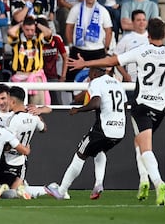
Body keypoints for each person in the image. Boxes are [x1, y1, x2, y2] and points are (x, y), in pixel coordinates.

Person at [67, 18, 165, 205]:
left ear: (148, 35)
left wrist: (84, 64)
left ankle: (158, 182)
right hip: (161, 107)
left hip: (142, 106)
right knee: (139, 141)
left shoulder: (142, 51)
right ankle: (143, 180)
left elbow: (111, 60)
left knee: (145, 148)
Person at [45, 67, 127, 200]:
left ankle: (61, 191)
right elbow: (125, 105)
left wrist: (78, 110)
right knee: (99, 151)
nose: (89, 77)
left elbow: (95, 103)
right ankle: (98, 184)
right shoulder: (117, 82)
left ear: (94, 73)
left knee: (80, 154)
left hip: (103, 130)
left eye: (89, 74)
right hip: (119, 131)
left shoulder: (96, 82)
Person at [0, 86, 47, 199]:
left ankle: (2, 189)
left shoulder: (12, 120)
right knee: (14, 191)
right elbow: (44, 129)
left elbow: (7, 144)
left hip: (6, 159)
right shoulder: (33, 116)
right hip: (21, 161)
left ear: (13, 101)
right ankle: (43, 189)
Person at [65, 0, 113, 82]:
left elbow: (108, 31)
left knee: (100, 80)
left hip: (97, 50)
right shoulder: (76, 9)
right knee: (71, 79)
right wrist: (70, 44)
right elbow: (69, 27)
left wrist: (106, 48)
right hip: (79, 49)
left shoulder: (103, 11)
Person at [8, 16, 52, 105]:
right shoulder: (17, 40)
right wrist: (20, 24)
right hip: (20, 77)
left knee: (36, 108)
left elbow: (49, 32)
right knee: (18, 106)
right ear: (23, 28)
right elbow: (10, 31)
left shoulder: (39, 39)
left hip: (36, 77)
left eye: (32, 30)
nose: (30, 32)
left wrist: (37, 24)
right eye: (27, 29)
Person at [37, 17, 67, 105]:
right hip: (39, 77)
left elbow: (65, 57)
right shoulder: (35, 41)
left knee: (57, 103)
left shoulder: (56, 39)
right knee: (41, 104)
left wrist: (63, 76)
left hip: (53, 77)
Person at [113, 9, 148, 85]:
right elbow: (115, 57)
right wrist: (125, 75)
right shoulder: (126, 38)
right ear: (133, 22)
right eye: (138, 20)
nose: (142, 22)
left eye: (144, 20)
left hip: (148, 83)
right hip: (131, 82)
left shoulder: (151, 37)